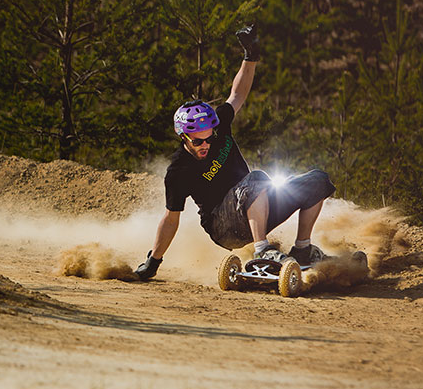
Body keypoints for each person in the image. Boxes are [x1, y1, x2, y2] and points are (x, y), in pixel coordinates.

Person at [134, 24, 336, 282]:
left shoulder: (220, 125)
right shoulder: (178, 170)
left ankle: (303, 249)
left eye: (209, 138)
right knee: (256, 179)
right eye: (198, 141)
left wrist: (250, 56)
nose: (205, 145)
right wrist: (154, 261)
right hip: (223, 226)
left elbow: (237, 94)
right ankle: (263, 250)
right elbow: (171, 219)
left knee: (317, 181)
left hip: (255, 204)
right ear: (183, 137)